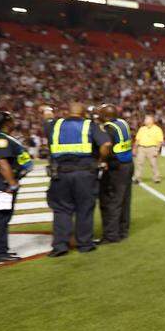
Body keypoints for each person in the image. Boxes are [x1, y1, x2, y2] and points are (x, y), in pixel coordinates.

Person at [43, 102, 113, 257]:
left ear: (67, 112)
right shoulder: (90, 125)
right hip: (84, 174)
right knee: (84, 208)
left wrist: (48, 113)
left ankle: (60, 245)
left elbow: (46, 121)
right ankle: (85, 244)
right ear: (83, 113)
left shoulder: (55, 125)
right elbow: (106, 144)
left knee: (61, 210)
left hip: (60, 174)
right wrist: (101, 160)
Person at [0, 111, 33, 262]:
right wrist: (13, 184)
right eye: (11, 120)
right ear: (6, 123)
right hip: (3, 182)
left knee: (0, 216)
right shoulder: (0, 140)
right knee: (0, 216)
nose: (13, 122)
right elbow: (3, 164)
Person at [97, 104, 134, 244]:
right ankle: (123, 230)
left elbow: (106, 146)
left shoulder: (108, 128)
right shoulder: (122, 123)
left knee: (112, 200)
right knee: (125, 199)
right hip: (128, 164)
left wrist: (102, 160)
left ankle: (111, 234)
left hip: (116, 167)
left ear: (105, 116)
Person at [133, 114, 163, 184]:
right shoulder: (142, 129)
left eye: (147, 119)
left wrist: (157, 150)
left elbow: (159, 141)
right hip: (141, 148)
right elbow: (137, 139)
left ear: (151, 120)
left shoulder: (157, 129)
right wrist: (135, 148)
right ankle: (137, 178)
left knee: (153, 164)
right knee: (139, 163)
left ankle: (156, 178)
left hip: (152, 148)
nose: (145, 120)